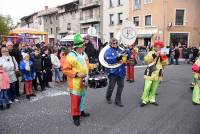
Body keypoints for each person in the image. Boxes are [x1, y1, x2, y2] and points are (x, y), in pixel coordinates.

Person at [62, 34, 97, 126]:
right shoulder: (71, 56)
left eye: (84, 46)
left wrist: (93, 66)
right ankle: (75, 116)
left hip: (84, 81)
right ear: (77, 47)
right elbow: (65, 70)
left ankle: (81, 111)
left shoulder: (84, 54)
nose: (84, 48)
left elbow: (86, 65)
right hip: (75, 83)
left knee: (83, 98)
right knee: (75, 100)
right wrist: (77, 74)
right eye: (82, 46)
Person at [141, 41, 168, 106]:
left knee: (154, 87)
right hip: (150, 71)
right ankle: (144, 100)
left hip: (158, 72)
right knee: (147, 87)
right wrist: (155, 55)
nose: (158, 48)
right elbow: (146, 60)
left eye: (160, 47)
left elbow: (165, 63)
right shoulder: (151, 52)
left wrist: (162, 58)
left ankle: (152, 99)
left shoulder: (163, 53)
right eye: (157, 47)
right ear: (154, 47)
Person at [104, 38, 129, 107]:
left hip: (121, 71)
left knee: (121, 86)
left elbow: (127, 58)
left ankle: (118, 100)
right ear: (110, 44)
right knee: (111, 86)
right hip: (113, 72)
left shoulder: (121, 50)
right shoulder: (108, 51)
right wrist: (117, 58)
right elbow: (108, 60)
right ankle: (108, 97)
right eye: (113, 43)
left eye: (116, 43)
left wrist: (128, 51)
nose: (115, 44)